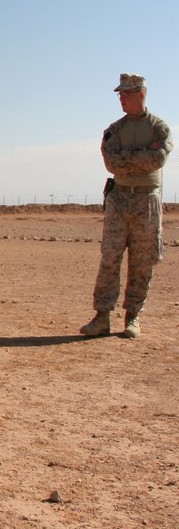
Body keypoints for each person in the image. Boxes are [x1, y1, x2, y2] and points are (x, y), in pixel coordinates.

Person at [81, 73, 172, 339]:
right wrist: (140, 157)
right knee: (110, 257)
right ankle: (102, 317)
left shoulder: (159, 128)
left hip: (147, 200)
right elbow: (112, 163)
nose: (121, 98)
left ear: (141, 95)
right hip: (119, 198)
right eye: (120, 94)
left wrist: (128, 158)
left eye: (126, 93)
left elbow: (157, 159)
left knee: (143, 261)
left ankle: (133, 316)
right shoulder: (114, 129)